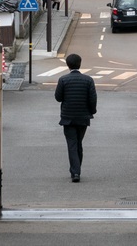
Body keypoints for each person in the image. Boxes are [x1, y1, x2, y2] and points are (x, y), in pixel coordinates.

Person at [54, 53, 97, 183]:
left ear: (68, 65)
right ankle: (77, 169)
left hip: (68, 117)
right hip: (83, 117)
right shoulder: (88, 80)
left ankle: (75, 172)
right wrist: (92, 111)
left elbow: (58, 98)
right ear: (80, 64)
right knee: (79, 143)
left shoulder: (63, 80)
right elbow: (92, 99)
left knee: (72, 143)